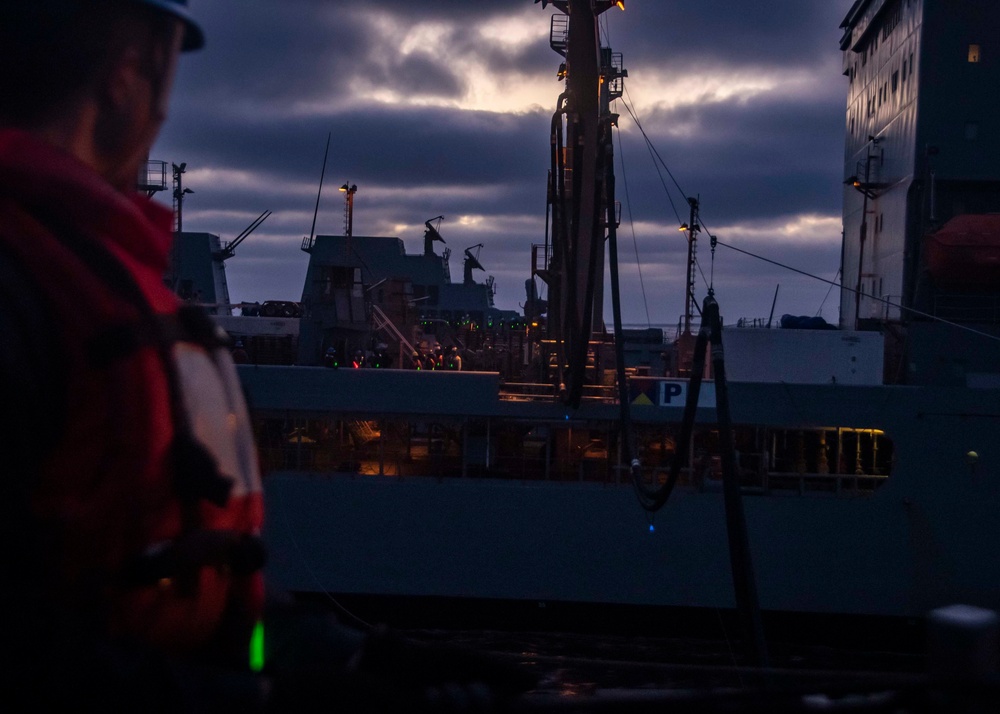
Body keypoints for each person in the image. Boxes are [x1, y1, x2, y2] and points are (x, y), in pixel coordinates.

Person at [0, 1, 532, 709]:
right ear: (130, 79)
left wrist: (354, 660)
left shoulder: (78, 281)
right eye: (168, 81)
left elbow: (196, 604)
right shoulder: (33, 290)